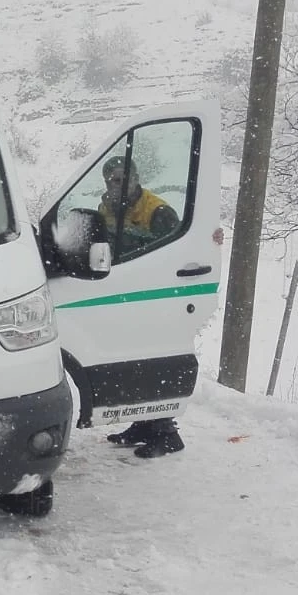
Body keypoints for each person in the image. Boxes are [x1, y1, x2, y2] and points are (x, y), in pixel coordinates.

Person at [96, 156, 186, 459]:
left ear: (136, 179)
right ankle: (144, 425)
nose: (118, 184)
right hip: (121, 292)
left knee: (151, 361)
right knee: (130, 361)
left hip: (153, 295)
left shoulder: (157, 211)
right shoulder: (106, 208)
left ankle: (167, 434)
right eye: (113, 179)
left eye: (125, 178)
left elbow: (173, 253)